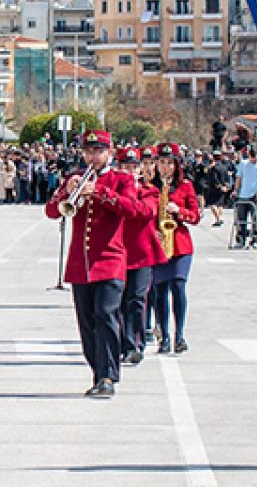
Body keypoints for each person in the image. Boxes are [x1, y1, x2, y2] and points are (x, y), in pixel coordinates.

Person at [45, 131, 150, 398]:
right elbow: (51, 211)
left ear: (109, 152)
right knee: (87, 322)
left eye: (98, 151)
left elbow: (134, 209)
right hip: (81, 264)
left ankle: (107, 376)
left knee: (106, 315)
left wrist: (100, 191)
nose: (93, 156)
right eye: (89, 151)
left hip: (111, 260)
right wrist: (64, 195)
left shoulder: (121, 179)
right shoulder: (74, 178)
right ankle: (97, 371)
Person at [150, 143, 200, 354]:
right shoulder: (150, 186)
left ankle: (180, 334)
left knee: (179, 287)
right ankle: (165, 337)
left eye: (170, 163)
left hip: (180, 244)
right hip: (157, 243)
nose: (166, 167)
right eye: (162, 162)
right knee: (160, 292)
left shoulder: (185, 186)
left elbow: (195, 216)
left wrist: (179, 210)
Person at [116, 146, 163, 366]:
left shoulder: (150, 191)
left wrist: (129, 192)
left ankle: (136, 344)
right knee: (119, 301)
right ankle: (123, 344)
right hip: (118, 252)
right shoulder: (114, 191)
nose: (131, 171)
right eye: (126, 167)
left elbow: (145, 212)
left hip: (142, 253)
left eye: (135, 167)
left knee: (136, 299)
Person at [233, 146, 257, 248]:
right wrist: (236, 190)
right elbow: (239, 177)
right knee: (241, 219)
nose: (253, 159)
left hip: (255, 196)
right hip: (243, 195)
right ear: (248, 155)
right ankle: (240, 239)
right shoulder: (243, 164)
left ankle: (255, 240)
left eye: (255, 157)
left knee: (256, 219)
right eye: (251, 157)